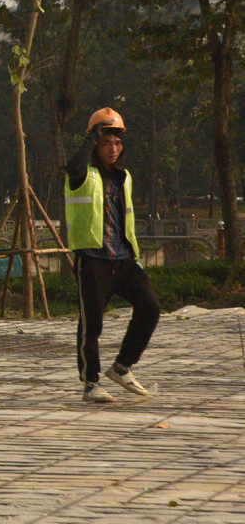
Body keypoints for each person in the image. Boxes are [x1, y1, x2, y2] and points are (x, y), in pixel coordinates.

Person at [65, 108, 160, 403]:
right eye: (107, 143)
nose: (114, 149)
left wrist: (134, 253)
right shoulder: (82, 174)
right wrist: (88, 140)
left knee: (150, 307)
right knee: (92, 324)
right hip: (93, 258)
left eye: (118, 143)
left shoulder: (124, 176)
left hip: (123, 258)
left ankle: (122, 367)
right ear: (95, 144)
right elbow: (73, 166)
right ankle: (91, 384)